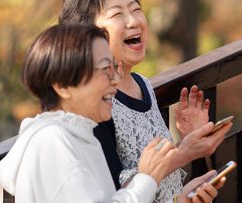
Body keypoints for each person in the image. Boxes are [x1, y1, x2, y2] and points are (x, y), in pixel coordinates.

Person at [0, 23, 226, 203]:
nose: (115, 80)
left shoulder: (81, 135)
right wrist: (147, 177)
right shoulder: (53, 142)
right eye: (105, 70)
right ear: (62, 86)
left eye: (114, 69)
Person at [59, 0, 232, 202]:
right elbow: (112, 191)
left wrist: (183, 194)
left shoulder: (143, 84)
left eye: (136, 9)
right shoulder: (93, 103)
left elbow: (155, 181)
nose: (134, 21)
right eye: (118, 14)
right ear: (86, 34)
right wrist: (184, 152)